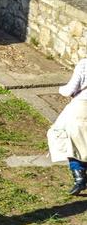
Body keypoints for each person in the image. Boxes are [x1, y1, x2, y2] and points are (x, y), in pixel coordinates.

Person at [48, 58, 87, 196]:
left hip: (82, 107)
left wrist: (61, 89)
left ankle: (80, 177)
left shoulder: (84, 64)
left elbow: (70, 89)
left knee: (68, 137)